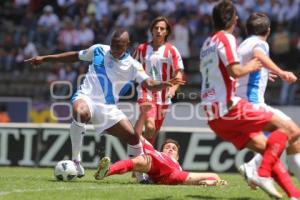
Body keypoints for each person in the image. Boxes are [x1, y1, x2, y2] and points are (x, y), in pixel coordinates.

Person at [25, 28, 185, 180]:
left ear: (127, 45)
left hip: (107, 108)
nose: (114, 49)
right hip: (86, 97)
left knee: (133, 137)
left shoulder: (133, 65)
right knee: (80, 111)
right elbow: (74, 55)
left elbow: (149, 83)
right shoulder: (99, 50)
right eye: (113, 45)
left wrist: (165, 83)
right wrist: (45, 58)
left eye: (119, 46)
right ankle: (77, 162)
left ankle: (140, 175)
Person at [199, 1, 300, 199]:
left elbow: (224, 71)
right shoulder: (227, 38)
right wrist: (275, 71)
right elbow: (237, 69)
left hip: (213, 115)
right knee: (291, 131)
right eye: (235, 16)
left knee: (269, 150)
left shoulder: (207, 43)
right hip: (232, 107)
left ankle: (294, 195)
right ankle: (258, 172)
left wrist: (260, 71)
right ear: (231, 19)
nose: (237, 19)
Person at [236, 12, 300, 196]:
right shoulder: (260, 43)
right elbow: (259, 54)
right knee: (291, 131)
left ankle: (254, 167)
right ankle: (253, 168)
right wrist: (281, 72)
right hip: (253, 103)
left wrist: (265, 72)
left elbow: (247, 66)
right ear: (268, 30)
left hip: (242, 103)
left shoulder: (243, 44)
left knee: (285, 141)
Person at [132, 16, 184, 145]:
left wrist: (172, 90)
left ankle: (144, 157)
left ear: (166, 32)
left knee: (153, 132)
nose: (159, 31)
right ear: (152, 30)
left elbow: (179, 74)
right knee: (150, 126)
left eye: (162, 28)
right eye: (156, 28)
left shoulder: (171, 50)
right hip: (146, 92)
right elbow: (130, 66)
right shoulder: (141, 49)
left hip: (163, 96)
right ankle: (139, 153)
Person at [94, 138, 227, 186]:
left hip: (172, 174)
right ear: (161, 150)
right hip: (157, 174)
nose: (170, 149)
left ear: (178, 157)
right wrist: (143, 114)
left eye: (173, 149)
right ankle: (106, 172)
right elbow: (137, 135)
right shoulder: (155, 153)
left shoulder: (176, 164)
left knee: (215, 177)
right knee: (138, 160)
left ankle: (212, 183)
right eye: (167, 147)